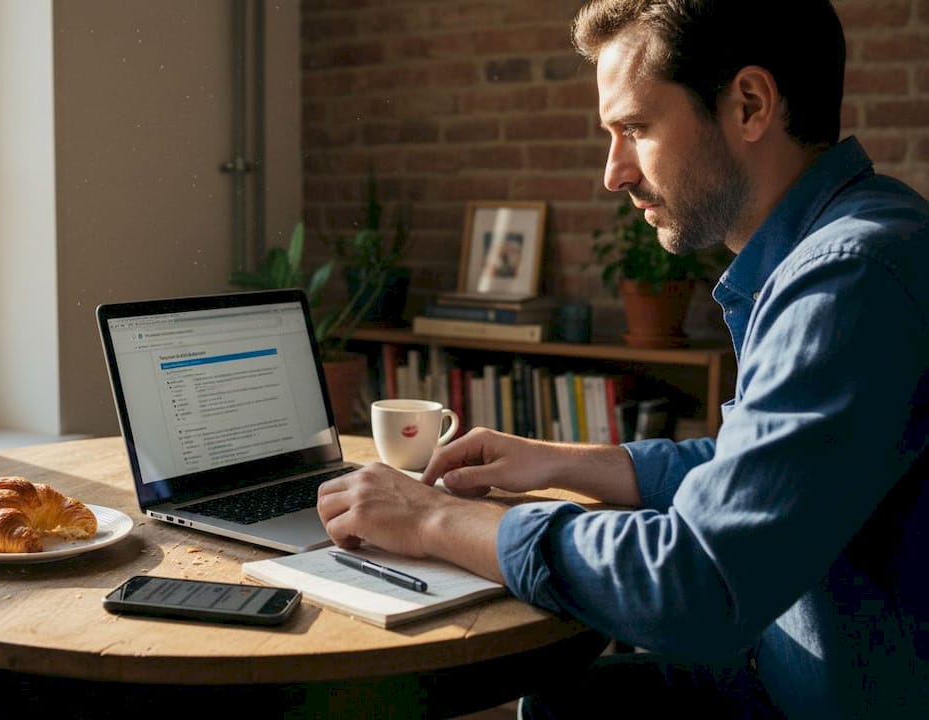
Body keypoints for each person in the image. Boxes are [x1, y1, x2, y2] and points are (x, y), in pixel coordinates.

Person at [316, 1, 929, 717]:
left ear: (751, 105)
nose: (613, 172)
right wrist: (565, 461)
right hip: (788, 669)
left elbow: (699, 580)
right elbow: (760, 474)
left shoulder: (850, 277)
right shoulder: (842, 245)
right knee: (559, 699)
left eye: (634, 128)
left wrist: (433, 521)